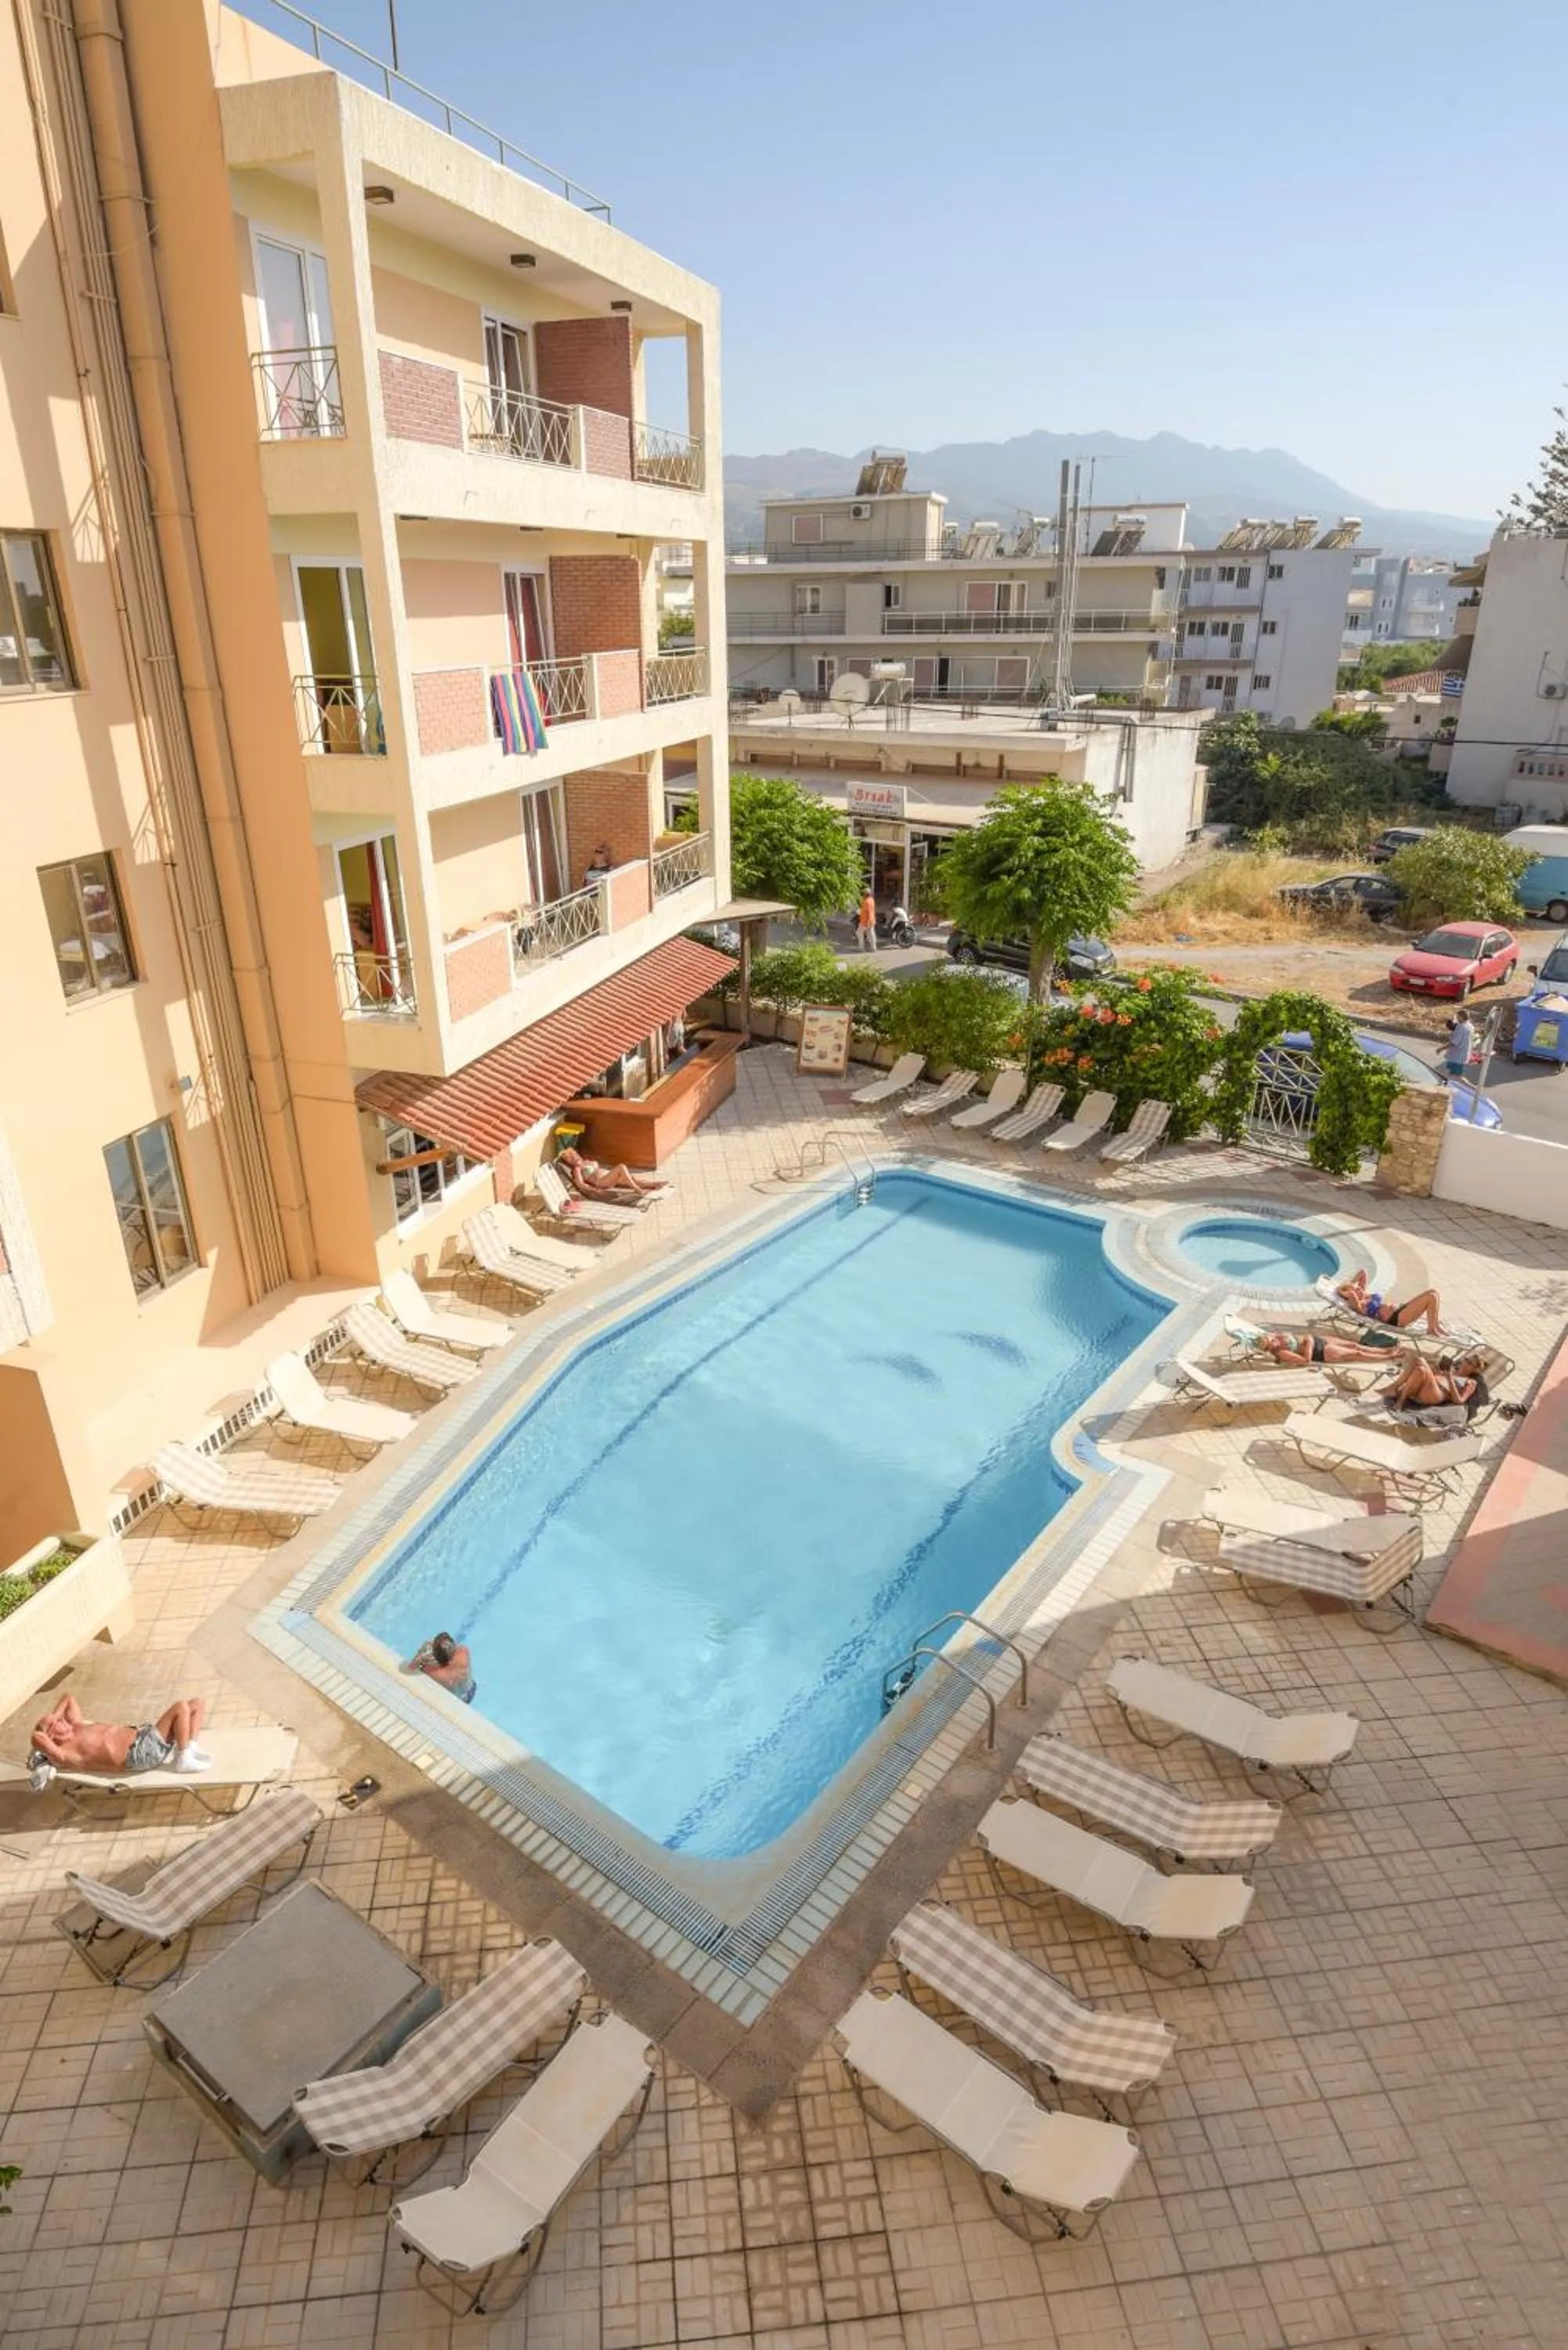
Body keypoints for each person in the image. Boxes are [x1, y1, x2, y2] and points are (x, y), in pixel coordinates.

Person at [29, 1690, 210, 1783]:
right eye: (55, 1725)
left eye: (60, 1719)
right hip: (140, 1754)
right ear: (50, 1736)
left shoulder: (77, 1725)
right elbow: (37, 1736)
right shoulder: (65, 1753)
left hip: (144, 1737)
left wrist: (54, 1719)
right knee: (180, 1708)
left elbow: (68, 1697)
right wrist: (47, 1728)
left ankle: (189, 1748)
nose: (61, 1721)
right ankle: (184, 1757)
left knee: (197, 1704)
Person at [1378, 1349, 1490, 1428]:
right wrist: (1436, 1372)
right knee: (1421, 1370)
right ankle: (1400, 1403)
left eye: (1470, 1363)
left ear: (1475, 1369)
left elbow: (1460, 1401)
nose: (1465, 1363)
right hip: (1426, 1387)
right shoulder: (1453, 1369)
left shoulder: (1471, 1382)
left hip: (1436, 1394)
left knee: (1420, 1360)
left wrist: (1450, 1379)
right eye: (1466, 1359)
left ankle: (1394, 1389)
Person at [1335, 1268, 1447, 1336]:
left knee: (1433, 1292)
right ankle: (1431, 1328)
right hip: (1396, 1318)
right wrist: (1348, 1290)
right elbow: (1342, 1292)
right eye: (1356, 1289)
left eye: (1358, 1287)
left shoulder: (1364, 1294)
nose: (1359, 1288)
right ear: (1351, 1295)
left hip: (1400, 1310)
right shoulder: (1360, 1304)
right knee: (1431, 1297)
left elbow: (1362, 1272)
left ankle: (1435, 1325)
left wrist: (1351, 1284)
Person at [558, 1145, 669, 1202]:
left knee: (632, 1178)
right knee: (621, 1167)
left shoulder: (586, 1161)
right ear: (569, 1162)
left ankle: (654, 1184)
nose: (573, 1158)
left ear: (576, 1153)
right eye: (569, 1159)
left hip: (609, 1176)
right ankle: (637, 1190)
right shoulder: (577, 1169)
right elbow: (580, 1184)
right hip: (602, 1182)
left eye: (572, 1155)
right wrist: (595, 1190)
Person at [1256, 1329, 1404, 1367]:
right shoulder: (1282, 1352)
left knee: (1355, 1344)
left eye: (1270, 1339)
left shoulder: (1278, 1336)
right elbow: (1305, 1361)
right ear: (1269, 1349)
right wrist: (1309, 1343)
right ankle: (1389, 1357)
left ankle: (1386, 1350)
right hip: (1321, 1352)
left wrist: (1309, 1339)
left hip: (1320, 1341)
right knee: (1357, 1353)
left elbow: (1305, 1336)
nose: (1273, 1342)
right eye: (1270, 1345)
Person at [402, 1633, 476, 1705]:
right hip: (470, 1690)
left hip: (455, 1702)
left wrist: (423, 1653)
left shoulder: (434, 1673)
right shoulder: (463, 1651)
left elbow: (411, 1668)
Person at [1442, 1012, 1476, 1082]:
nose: (1457, 1018)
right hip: (1460, 1055)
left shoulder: (1461, 1027)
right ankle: (1446, 1083)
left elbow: (1455, 1042)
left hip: (1457, 1056)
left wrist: (1441, 1048)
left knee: (1458, 1076)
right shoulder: (1470, 1026)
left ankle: (1474, 1089)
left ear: (1462, 1017)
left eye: (1458, 1017)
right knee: (1451, 1073)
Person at [856, 886, 877, 954]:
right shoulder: (871, 900)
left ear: (865, 894)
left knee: (859, 933)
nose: (862, 895)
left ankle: (861, 948)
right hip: (871, 920)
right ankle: (873, 948)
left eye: (863, 894)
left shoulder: (866, 902)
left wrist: (860, 912)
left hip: (865, 921)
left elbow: (867, 912)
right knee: (871, 934)